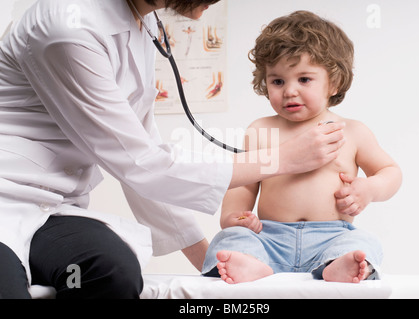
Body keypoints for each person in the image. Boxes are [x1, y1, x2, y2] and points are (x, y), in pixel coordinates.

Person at [0, 1, 346, 299]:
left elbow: (141, 152)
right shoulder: (67, 26)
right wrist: (281, 159)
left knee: (112, 271)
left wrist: (209, 263)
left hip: (54, 211)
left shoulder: (140, 20)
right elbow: (141, 165)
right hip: (5, 198)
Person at [202, 10, 402, 284]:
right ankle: (251, 263)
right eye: (277, 81)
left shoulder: (353, 131)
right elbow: (243, 183)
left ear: (334, 82)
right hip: (269, 237)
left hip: (332, 236)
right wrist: (233, 217)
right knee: (229, 239)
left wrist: (369, 189)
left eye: (304, 79)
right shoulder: (260, 130)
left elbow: (390, 171)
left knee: (364, 242)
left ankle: (336, 265)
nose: (289, 91)